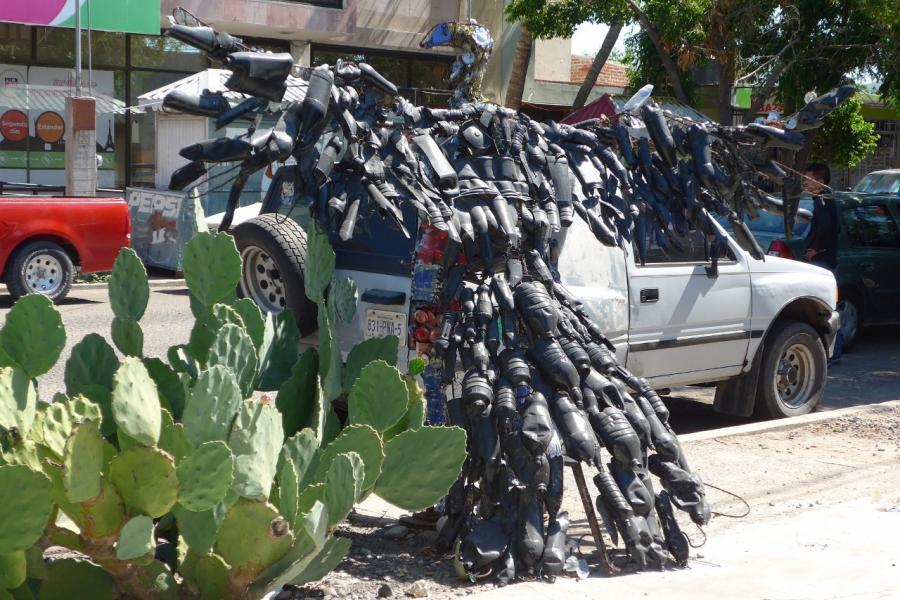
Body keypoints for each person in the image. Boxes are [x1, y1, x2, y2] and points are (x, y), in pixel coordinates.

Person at [802, 163, 843, 362]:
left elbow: (826, 226)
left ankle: (833, 353)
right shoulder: (823, 198)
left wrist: (815, 249)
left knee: (824, 307)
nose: (805, 182)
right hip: (823, 257)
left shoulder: (824, 199)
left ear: (820, 181)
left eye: (809, 179)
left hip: (823, 259)